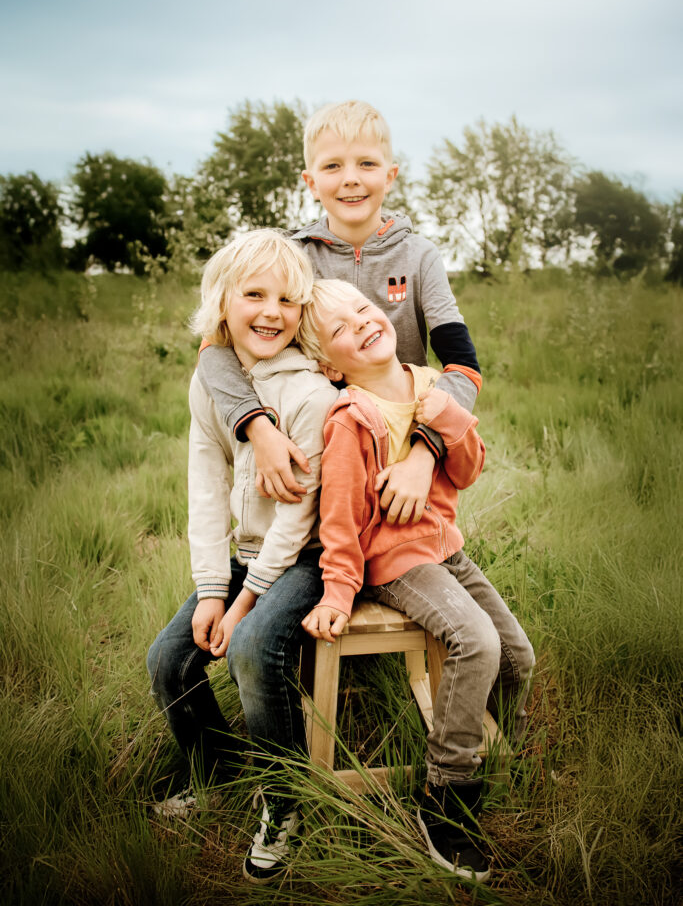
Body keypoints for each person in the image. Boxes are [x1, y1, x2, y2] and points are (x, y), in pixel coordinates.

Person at [297, 279, 535, 884]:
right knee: (474, 641)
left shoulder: (428, 385)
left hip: (446, 550)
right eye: (341, 330)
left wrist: (450, 418)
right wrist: (338, 590)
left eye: (362, 310)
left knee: (515, 656)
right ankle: (447, 795)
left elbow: (469, 469)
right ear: (330, 364)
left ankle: (493, 750)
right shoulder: (352, 418)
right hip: (396, 562)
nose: (361, 324)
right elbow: (342, 518)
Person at [146, 229, 339, 884]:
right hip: (245, 558)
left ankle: (284, 802)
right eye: (253, 294)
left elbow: (300, 514)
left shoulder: (311, 395)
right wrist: (210, 589)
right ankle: (216, 772)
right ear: (221, 300)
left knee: (254, 647)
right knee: (169, 660)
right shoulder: (210, 385)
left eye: (287, 299)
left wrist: (246, 599)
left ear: (302, 310)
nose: (270, 312)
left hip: (306, 558)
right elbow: (204, 489)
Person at [197, 99, 482, 527]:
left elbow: (463, 367)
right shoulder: (293, 257)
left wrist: (425, 455)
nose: (350, 179)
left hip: (399, 462)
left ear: (390, 175)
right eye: (332, 167)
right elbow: (213, 348)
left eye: (366, 163)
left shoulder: (420, 257)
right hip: (314, 456)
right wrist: (258, 429)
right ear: (311, 182)